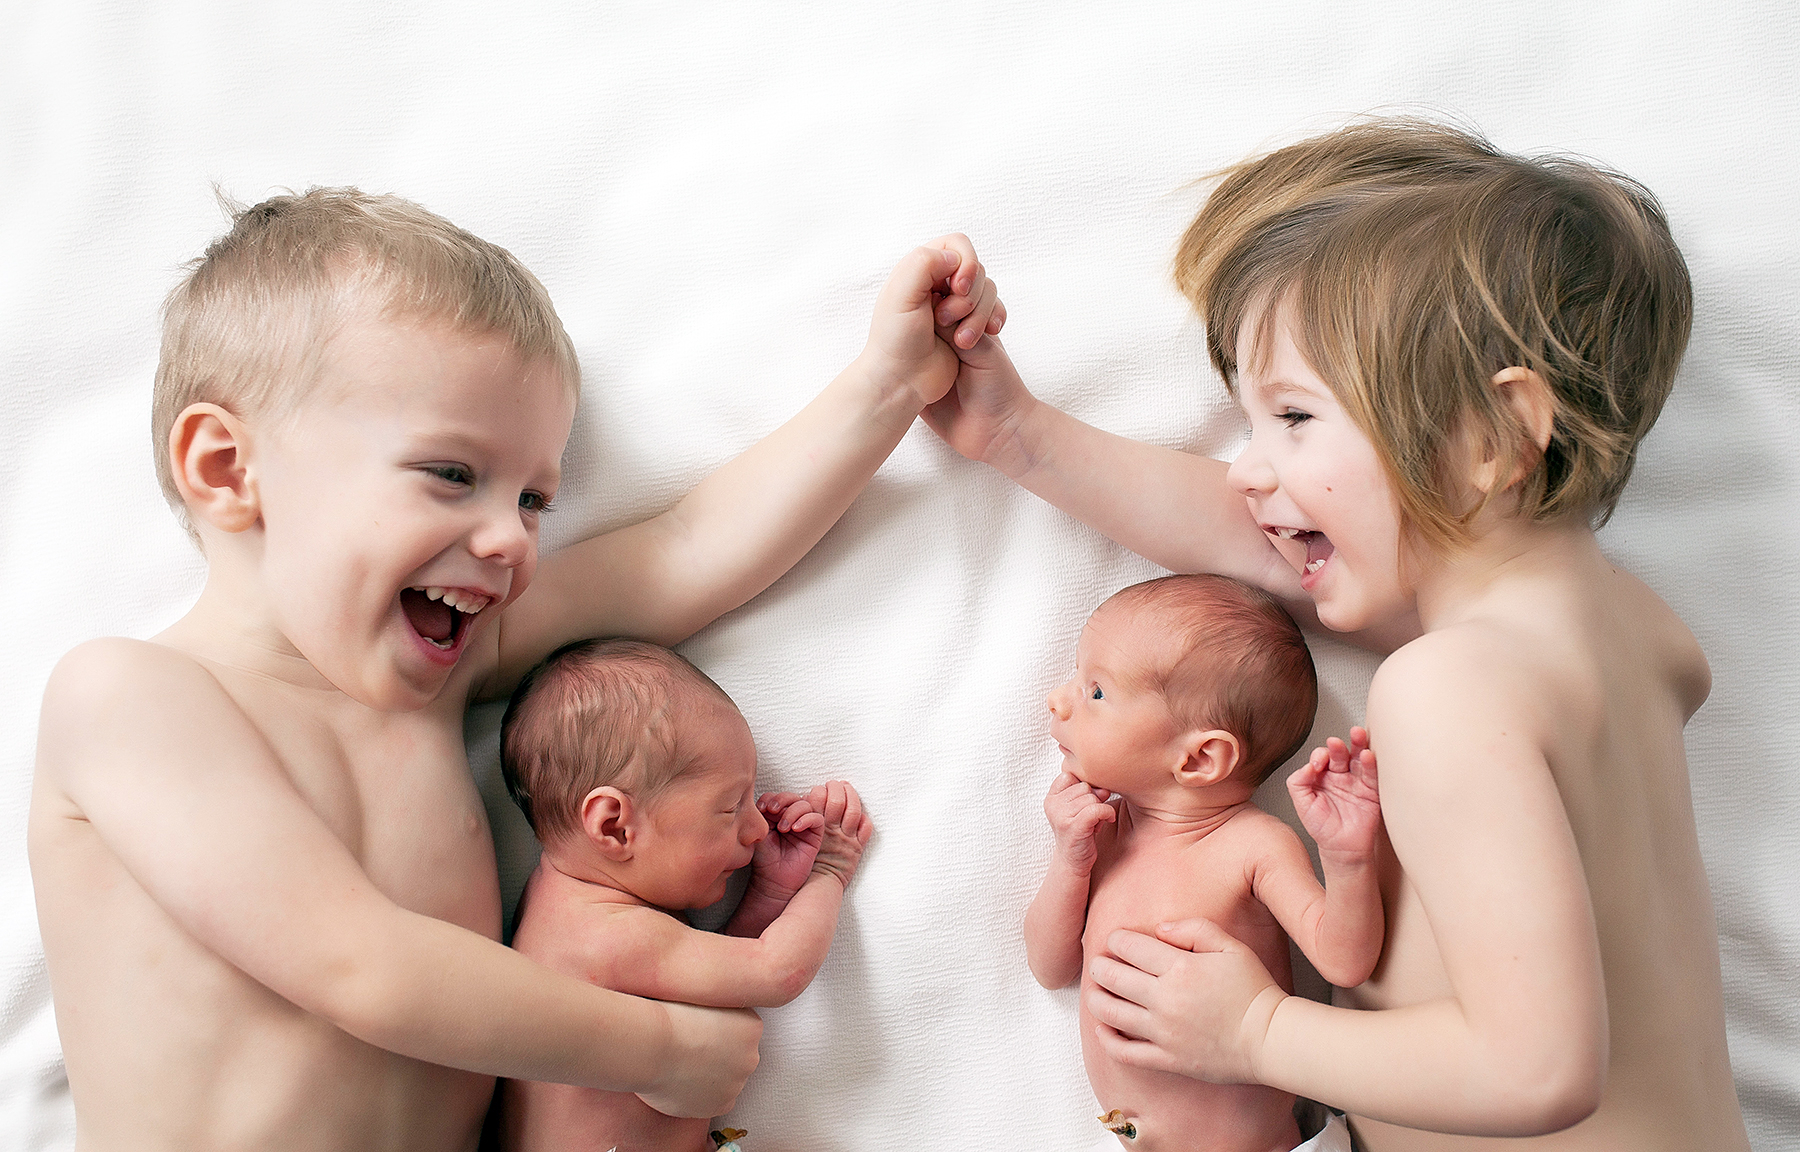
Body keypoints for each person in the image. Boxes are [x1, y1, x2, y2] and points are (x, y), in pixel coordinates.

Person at [27, 187, 1001, 1151]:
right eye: (452, 475)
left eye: (535, 500)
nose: (509, 539)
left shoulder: (438, 686)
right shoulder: (127, 698)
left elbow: (683, 551)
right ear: (226, 469)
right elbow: (357, 964)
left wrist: (889, 387)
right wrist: (656, 1047)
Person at [927, 120, 1751, 1149]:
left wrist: (1257, 1031)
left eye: (1294, 419)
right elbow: (1274, 548)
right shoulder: (1634, 632)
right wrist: (1020, 436)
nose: (1247, 471)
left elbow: (1537, 1070)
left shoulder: (1451, 687)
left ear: (1494, 436)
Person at [1026, 574, 1377, 1152]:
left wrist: (1348, 861)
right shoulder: (1101, 835)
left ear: (1199, 758)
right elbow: (1050, 966)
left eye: (1096, 692)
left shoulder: (1253, 845)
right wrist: (1069, 859)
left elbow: (1345, 961)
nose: (1058, 700)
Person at [493, 638, 871, 1152]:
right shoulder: (605, 937)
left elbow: (713, 984)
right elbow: (776, 970)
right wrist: (830, 870)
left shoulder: (561, 910)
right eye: (731, 807)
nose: (758, 827)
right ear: (615, 826)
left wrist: (770, 891)